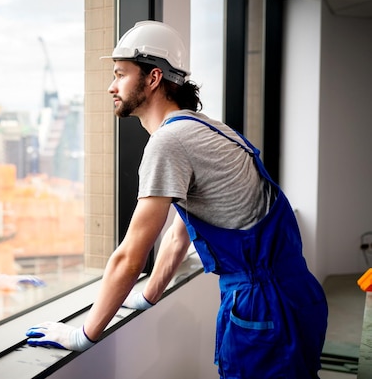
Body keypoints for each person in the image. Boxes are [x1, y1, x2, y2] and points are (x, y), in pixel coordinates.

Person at [25, 20, 328, 378]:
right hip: (292, 295)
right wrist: (148, 295)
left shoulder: (170, 143)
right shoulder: (206, 127)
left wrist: (83, 336)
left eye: (120, 74)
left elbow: (130, 255)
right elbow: (180, 232)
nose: (111, 86)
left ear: (153, 78)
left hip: (265, 307)